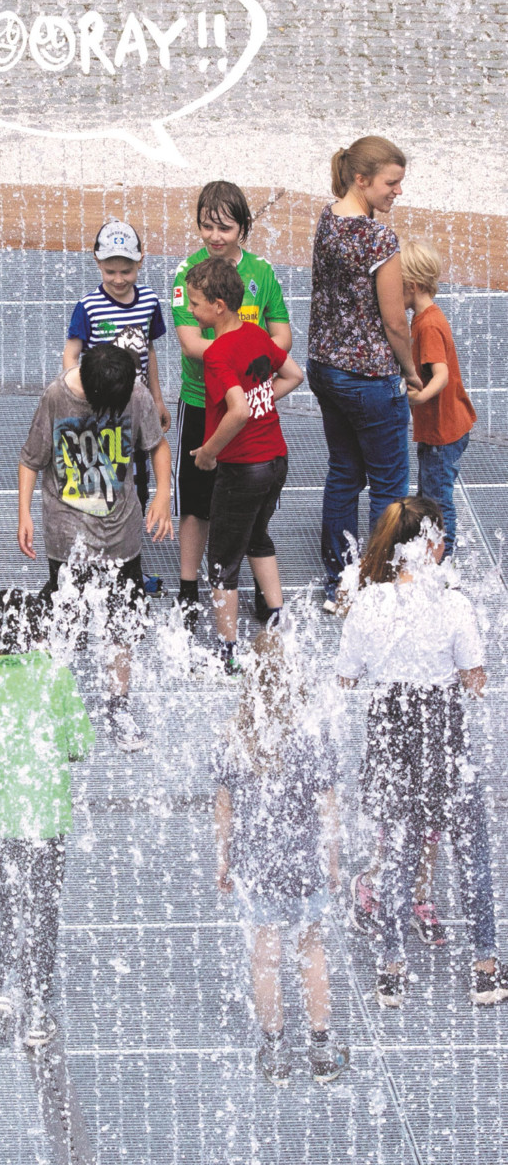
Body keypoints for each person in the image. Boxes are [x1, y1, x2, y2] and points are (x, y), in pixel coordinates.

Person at [336, 497, 508, 1008]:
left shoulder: (368, 603)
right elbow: (475, 682)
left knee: (397, 853)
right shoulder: (453, 603)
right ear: (430, 544)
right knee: (471, 848)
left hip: (390, 730)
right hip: (442, 732)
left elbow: (346, 678)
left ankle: (391, 970)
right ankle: (485, 967)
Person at [0, 587, 94, 1050]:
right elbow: (80, 744)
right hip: (47, 817)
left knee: (1, 903)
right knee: (43, 908)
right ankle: (37, 1007)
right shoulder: (57, 675)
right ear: (40, 635)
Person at [17, 343, 174, 752]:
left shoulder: (134, 391)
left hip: (121, 532)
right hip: (67, 535)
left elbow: (156, 445)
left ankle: (118, 705)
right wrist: (24, 515)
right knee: (64, 622)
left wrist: (163, 494)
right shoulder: (57, 397)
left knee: (122, 624)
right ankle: (54, 707)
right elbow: (31, 459)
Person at [214, 631, 349, 1086]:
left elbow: (224, 805)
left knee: (265, 956)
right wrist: (332, 862)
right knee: (311, 951)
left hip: (257, 867)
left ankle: (274, 1051)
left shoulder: (237, 733)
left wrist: (224, 859)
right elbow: (327, 803)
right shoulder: (312, 731)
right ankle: (322, 1047)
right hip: (305, 863)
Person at [306, 137, 423, 610]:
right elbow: (396, 321)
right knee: (390, 486)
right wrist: (411, 371)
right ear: (362, 179)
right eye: (391, 183)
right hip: (370, 379)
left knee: (343, 473)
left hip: (324, 367)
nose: (398, 192)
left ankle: (340, 575)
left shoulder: (329, 218)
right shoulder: (379, 239)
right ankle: (373, 585)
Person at [171, 182, 291, 630]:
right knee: (197, 502)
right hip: (203, 402)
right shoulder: (189, 275)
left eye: (225, 227)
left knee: (248, 504)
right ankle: (188, 590)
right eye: (206, 225)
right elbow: (189, 344)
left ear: (244, 227)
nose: (214, 236)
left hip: (246, 408)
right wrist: (245, 360)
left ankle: (254, 594)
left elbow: (283, 339)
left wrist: (244, 382)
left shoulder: (263, 272)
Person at [186, 258, 303, 674]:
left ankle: (228, 649)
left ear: (219, 306)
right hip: (276, 460)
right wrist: (263, 397)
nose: (192, 311)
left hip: (243, 467)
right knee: (257, 536)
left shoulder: (217, 353)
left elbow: (235, 411)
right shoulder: (254, 333)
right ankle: (276, 619)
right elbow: (294, 374)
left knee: (222, 561)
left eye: (196, 304)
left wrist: (208, 452)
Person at [63, 220, 170, 593]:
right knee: (95, 488)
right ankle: (91, 565)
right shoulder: (88, 307)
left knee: (134, 487)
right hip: (98, 413)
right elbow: (71, 354)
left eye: (126, 270)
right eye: (110, 270)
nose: (119, 278)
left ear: (141, 262)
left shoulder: (149, 303)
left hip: (135, 413)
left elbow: (149, 352)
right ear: (96, 263)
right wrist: (78, 398)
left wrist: (157, 398)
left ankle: (128, 567)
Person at [401, 238, 476, 559]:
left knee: (437, 498)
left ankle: (444, 560)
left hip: (444, 432)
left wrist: (419, 398)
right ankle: (430, 549)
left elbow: (441, 374)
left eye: (397, 284)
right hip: (442, 428)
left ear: (413, 285)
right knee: (429, 491)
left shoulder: (429, 324)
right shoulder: (426, 317)